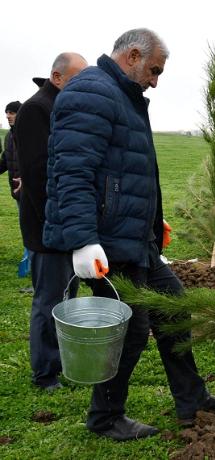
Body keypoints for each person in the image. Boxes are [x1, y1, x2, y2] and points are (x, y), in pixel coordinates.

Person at [43, 28, 215, 441]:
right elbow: (72, 173)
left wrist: (150, 224)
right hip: (105, 243)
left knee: (173, 307)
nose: (156, 80)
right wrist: (83, 240)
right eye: (154, 70)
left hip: (133, 239)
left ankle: (192, 400)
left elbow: (126, 171)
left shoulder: (120, 96)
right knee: (132, 328)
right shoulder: (92, 92)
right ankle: (105, 418)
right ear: (134, 55)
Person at [13, 53, 87, 392]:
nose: (84, 85)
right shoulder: (36, 110)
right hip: (48, 227)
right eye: (77, 78)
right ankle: (45, 372)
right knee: (49, 300)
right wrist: (55, 221)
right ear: (57, 77)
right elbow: (37, 172)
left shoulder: (64, 107)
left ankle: (61, 362)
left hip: (66, 224)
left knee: (67, 296)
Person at [0, 101, 31, 278]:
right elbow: (5, 161)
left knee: (31, 228)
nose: (8, 116)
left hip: (32, 191)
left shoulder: (29, 134)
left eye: (12, 112)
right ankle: (28, 261)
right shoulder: (9, 136)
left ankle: (29, 265)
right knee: (25, 227)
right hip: (17, 193)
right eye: (6, 113)